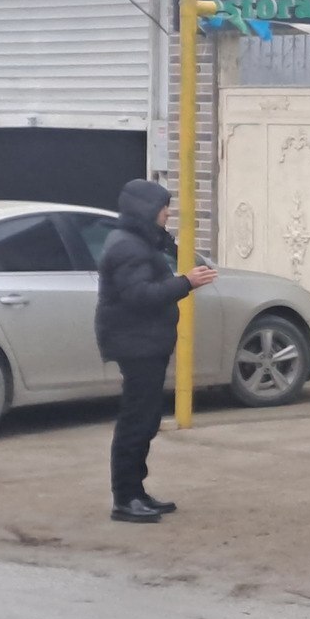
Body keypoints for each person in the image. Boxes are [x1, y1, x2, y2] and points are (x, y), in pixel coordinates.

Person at [95, 179, 217, 523]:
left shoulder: (140, 241)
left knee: (146, 418)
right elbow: (141, 296)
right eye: (163, 207)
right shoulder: (127, 247)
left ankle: (136, 491)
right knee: (137, 420)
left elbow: (178, 264)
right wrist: (186, 283)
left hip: (145, 341)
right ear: (146, 209)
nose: (168, 213)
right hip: (136, 344)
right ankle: (126, 498)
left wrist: (166, 242)